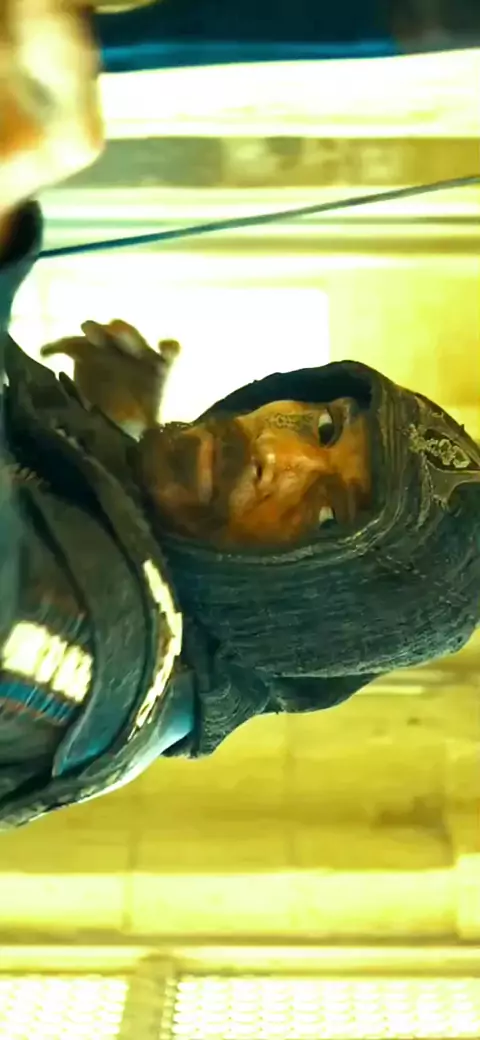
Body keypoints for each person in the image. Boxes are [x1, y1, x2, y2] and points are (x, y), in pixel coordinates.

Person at [1, 0, 479, 832]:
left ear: (302, 602)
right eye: (325, 427)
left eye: (325, 514)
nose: (281, 454)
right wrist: (121, 438)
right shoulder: (150, 542)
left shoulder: (89, 657)